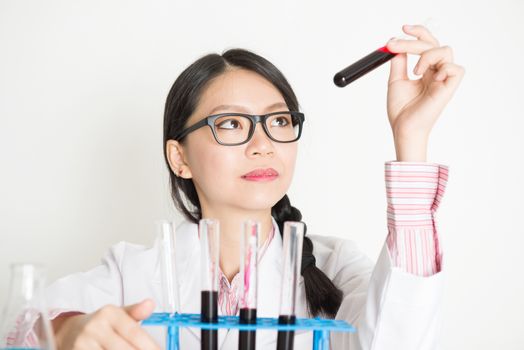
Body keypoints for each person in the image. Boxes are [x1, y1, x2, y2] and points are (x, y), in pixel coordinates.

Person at [11, 24, 464, 349]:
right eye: (231, 123)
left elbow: (401, 338)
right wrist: (68, 332)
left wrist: (412, 139)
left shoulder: (336, 270)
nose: (264, 144)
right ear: (180, 157)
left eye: (278, 120)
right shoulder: (133, 273)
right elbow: (25, 325)